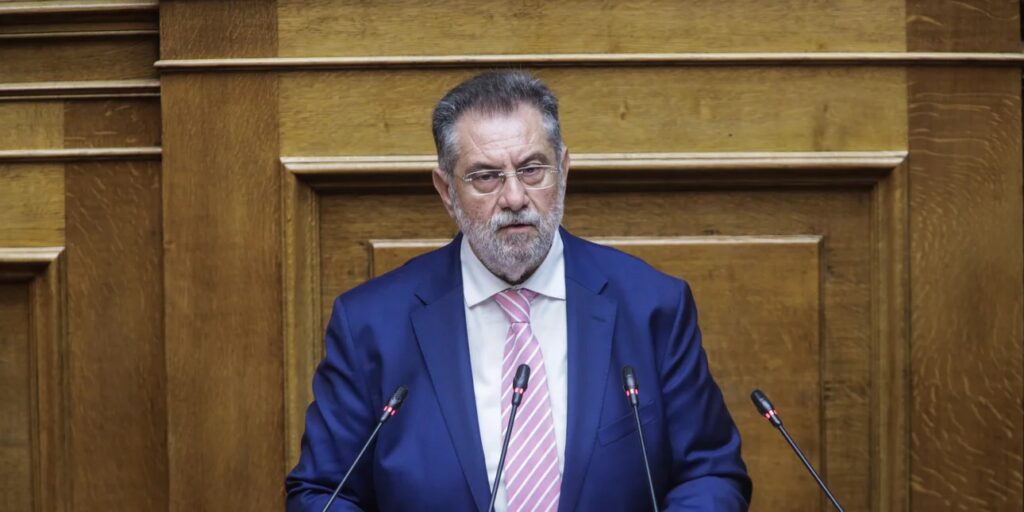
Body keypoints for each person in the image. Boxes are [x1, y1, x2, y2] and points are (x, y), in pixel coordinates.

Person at [286, 71, 751, 511]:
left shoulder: (652, 306)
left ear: (563, 171)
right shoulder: (371, 325)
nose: (513, 198)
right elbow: (323, 492)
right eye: (485, 177)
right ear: (446, 190)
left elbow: (709, 474)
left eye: (532, 169)